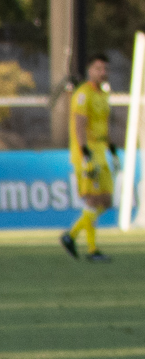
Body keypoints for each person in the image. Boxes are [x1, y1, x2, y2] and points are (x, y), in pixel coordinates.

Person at [62, 53, 115, 263]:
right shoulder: (83, 94)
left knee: (107, 200)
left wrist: (111, 148)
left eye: (105, 69)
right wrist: (84, 153)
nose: (103, 73)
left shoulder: (103, 94)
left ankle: (71, 235)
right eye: (99, 68)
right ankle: (92, 250)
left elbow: (103, 125)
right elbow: (79, 124)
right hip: (88, 153)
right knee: (92, 199)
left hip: (101, 151)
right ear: (90, 70)